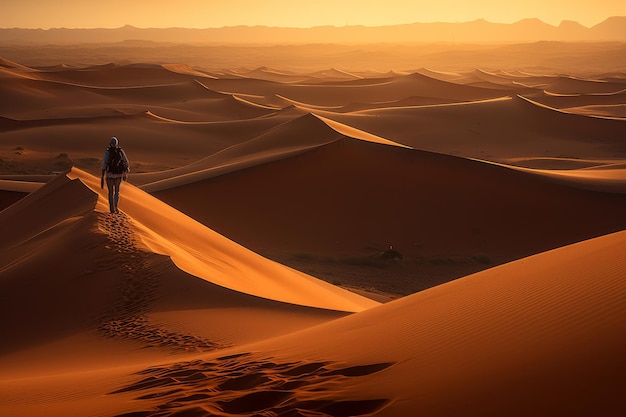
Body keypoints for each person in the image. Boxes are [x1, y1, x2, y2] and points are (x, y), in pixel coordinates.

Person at [101, 136, 130, 214]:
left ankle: (112, 209)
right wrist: (125, 173)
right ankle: (116, 207)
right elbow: (125, 162)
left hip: (109, 175)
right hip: (118, 175)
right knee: (117, 192)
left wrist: (102, 175)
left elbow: (104, 163)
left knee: (110, 192)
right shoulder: (120, 151)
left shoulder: (108, 152)